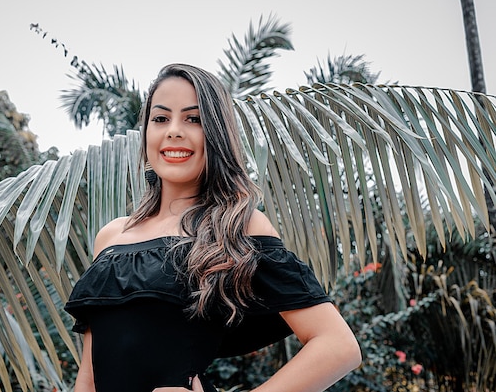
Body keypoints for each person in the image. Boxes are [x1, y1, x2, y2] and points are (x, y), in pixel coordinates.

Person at [64, 63, 361, 392]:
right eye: (161, 118)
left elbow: (338, 346)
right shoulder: (110, 238)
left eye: (194, 119)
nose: (174, 130)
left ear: (216, 133)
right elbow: (89, 377)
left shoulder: (238, 225)